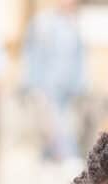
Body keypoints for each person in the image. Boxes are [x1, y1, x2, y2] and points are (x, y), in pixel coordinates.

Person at [21, 0, 87, 163]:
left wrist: (81, 84)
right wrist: (32, 84)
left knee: (62, 123)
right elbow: (32, 55)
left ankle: (48, 158)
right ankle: (67, 156)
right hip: (47, 85)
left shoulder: (74, 24)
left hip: (68, 86)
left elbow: (79, 58)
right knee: (55, 123)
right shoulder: (43, 23)